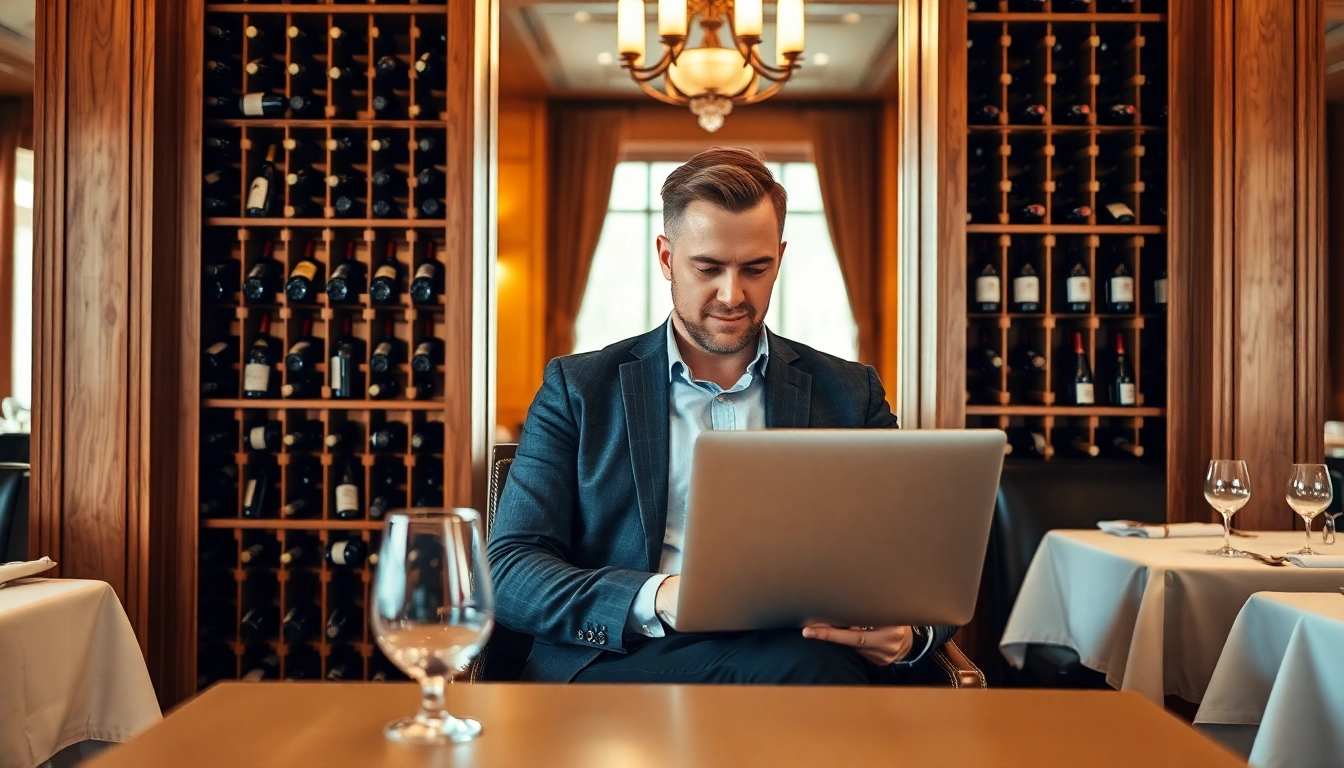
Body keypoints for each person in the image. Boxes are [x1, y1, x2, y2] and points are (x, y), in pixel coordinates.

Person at [487, 147, 957, 684]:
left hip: (805, 650)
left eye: (755, 269)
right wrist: (661, 596)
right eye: (708, 268)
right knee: (816, 678)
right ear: (666, 258)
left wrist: (911, 631)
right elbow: (511, 570)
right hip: (625, 658)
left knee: (813, 668)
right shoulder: (578, 389)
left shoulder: (851, 393)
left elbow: (919, 560)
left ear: (779, 257)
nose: (732, 295)